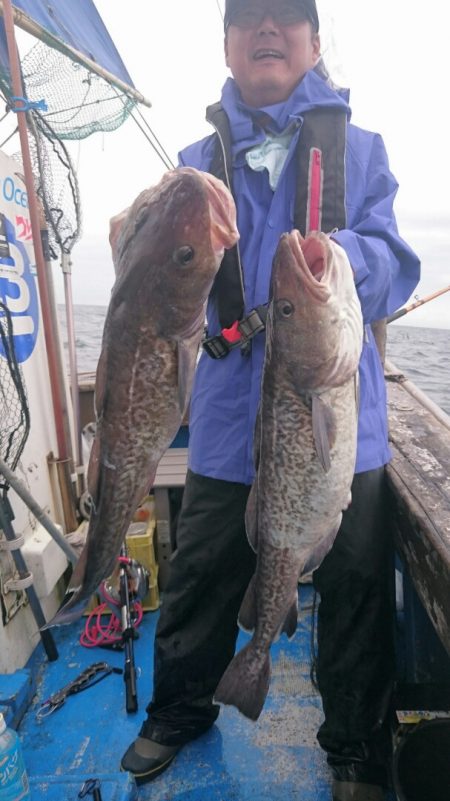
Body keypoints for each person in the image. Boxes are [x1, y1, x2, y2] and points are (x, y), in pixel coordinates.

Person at [120, 2, 420, 799]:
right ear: (225, 42)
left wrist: (341, 256)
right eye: (247, 16)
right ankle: (180, 709)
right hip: (222, 414)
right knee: (201, 570)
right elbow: (151, 278)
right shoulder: (194, 161)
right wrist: (131, 235)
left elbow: (397, 260)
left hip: (334, 424)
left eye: (286, 17)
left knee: (354, 583)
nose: (266, 29)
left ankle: (355, 743)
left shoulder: (359, 152)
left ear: (315, 43)